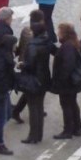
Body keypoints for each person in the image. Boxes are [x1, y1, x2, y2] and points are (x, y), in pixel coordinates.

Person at [19, 13, 52, 144]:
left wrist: (22, 65)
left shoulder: (33, 46)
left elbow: (30, 64)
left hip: (33, 79)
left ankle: (33, 136)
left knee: (33, 109)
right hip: (44, 77)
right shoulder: (46, 41)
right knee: (39, 107)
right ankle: (39, 135)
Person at [11, 9, 45, 123]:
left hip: (24, 62)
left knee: (30, 89)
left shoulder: (25, 30)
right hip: (31, 65)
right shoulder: (38, 35)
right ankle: (18, 111)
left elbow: (20, 47)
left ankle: (18, 111)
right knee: (32, 89)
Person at [52, 23, 81, 139]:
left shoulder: (67, 46)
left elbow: (67, 65)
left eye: (59, 32)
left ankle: (68, 130)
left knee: (66, 105)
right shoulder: (70, 44)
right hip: (71, 82)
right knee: (72, 103)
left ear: (64, 33)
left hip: (67, 83)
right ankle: (77, 128)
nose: (58, 34)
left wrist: (62, 79)